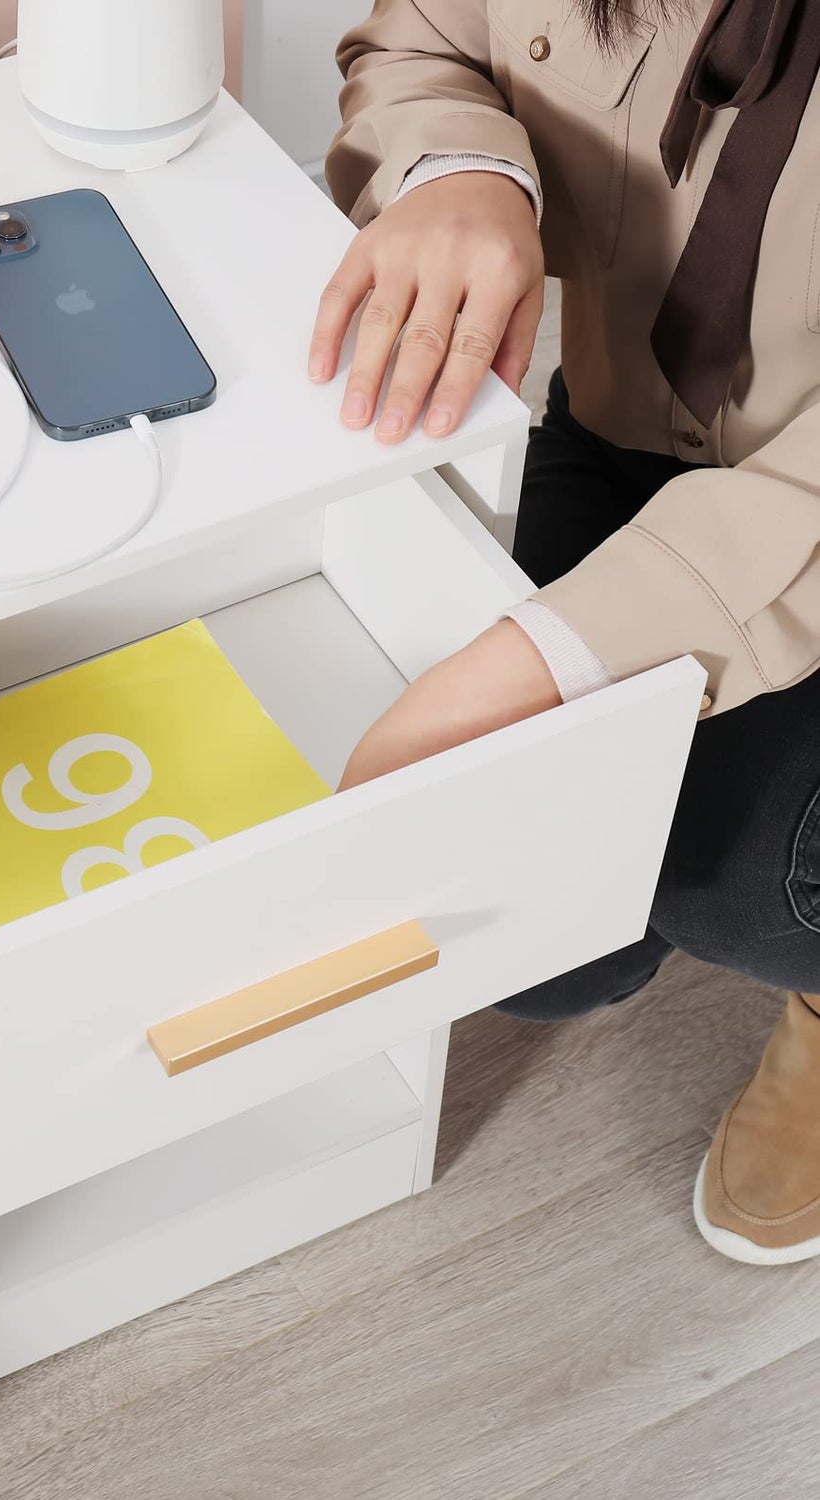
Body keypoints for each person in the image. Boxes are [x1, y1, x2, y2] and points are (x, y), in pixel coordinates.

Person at [313, 0, 820, 1265]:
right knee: (540, 935)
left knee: (738, 885)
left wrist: (556, 656)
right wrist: (459, 169)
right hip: (623, 434)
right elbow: (421, 41)